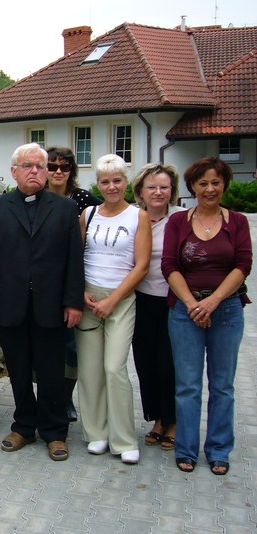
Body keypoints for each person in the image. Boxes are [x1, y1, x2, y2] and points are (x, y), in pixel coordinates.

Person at [0, 143, 84, 462]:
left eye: (40, 166)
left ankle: (55, 431)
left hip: (51, 304)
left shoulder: (65, 209)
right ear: (14, 172)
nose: (35, 171)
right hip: (10, 303)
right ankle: (23, 426)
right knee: (19, 370)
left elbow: (74, 260)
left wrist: (73, 302)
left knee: (51, 371)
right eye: (27, 166)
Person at [162, 157, 252, 476]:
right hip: (184, 311)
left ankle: (218, 449)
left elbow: (243, 265)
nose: (210, 189)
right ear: (192, 187)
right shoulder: (178, 222)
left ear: (224, 184)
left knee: (223, 385)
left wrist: (212, 302)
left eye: (216, 182)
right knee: (187, 385)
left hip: (226, 310)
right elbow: (169, 265)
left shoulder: (237, 222)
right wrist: (192, 304)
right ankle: (186, 448)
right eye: (203, 183)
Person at [76, 154, 150, 465]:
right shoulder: (88, 214)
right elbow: (76, 256)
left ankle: (124, 439)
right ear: (98, 184)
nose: (111, 187)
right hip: (89, 298)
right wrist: (80, 291)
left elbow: (142, 265)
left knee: (114, 368)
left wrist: (113, 299)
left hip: (120, 299)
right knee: (90, 369)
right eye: (105, 182)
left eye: (117, 180)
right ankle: (97, 432)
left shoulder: (138, 216)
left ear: (126, 182)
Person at [130, 163, 185, 451]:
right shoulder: (133, 217)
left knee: (168, 364)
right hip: (140, 300)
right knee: (145, 363)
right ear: (141, 191)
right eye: (151, 187)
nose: (158, 192)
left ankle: (172, 420)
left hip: (173, 301)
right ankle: (156, 419)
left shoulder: (181, 218)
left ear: (172, 190)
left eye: (164, 187)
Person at [45, 147, 103, 422]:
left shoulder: (85, 201)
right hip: (43, 281)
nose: (58, 171)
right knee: (45, 344)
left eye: (64, 166)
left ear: (72, 170)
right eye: (52, 165)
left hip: (73, 278)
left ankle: (66, 397)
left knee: (71, 345)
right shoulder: (35, 196)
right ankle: (46, 397)